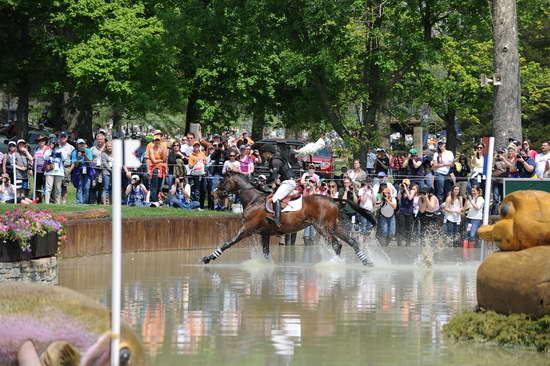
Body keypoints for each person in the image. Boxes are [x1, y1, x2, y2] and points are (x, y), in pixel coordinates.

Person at [261, 144, 296, 228]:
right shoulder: (273, 160)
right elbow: (272, 176)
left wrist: (265, 181)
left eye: (263, 153)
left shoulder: (275, 161)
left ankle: (277, 219)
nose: (262, 155)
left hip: (288, 182)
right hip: (285, 182)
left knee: (275, 198)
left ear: (268, 153)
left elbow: (273, 177)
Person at [69, 139, 94, 204]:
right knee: (79, 186)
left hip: (87, 169)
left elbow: (91, 161)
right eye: (80, 144)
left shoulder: (88, 150)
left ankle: (85, 202)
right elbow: (75, 164)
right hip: (78, 169)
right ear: (77, 145)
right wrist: (78, 158)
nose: (82, 145)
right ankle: (79, 202)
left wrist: (85, 155)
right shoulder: (75, 152)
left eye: (83, 144)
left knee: (87, 187)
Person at [43, 140, 68, 204]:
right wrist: (51, 149)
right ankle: (47, 202)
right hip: (50, 171)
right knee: (48, 188)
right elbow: (45, 157)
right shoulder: (48, 150)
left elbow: (65, 158)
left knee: (58, 188)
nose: (55, 145)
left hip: (59, 172)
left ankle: (57, 203)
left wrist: (60, 148)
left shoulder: (61, 149)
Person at [145, 134, 168, 203]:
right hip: (154, 169)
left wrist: (164, 151)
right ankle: (153, 200)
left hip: (162, 169)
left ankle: (157, 199)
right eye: (156, 140)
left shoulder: (163, 148)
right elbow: (153, 160)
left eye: (158, 140)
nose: (157, 142)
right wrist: (161, 161)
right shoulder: (151, 149)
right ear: (154, 141)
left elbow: (165, 159)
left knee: (159, 185)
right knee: (154, 185)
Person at [396, 179, 416, 246]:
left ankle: (408, 243)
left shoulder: (412, 191)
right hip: (402, 211)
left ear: (409, 185)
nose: (405, 185)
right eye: (404, 184)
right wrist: (400, 190)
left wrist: (406, 188)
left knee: (408, 228)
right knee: (401, 227)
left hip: (409, 212)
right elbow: (398, 199)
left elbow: (410, 198)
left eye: (406, 184)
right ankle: (399, 243)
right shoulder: (401, 191)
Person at [188, 142, 208, 209]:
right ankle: (197, 206)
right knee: (197, 190)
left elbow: (205, 161)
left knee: (204, 190)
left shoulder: (202, 153)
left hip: (202, 174)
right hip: (196, 175)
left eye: (197, 146)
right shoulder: (191, 156)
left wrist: (204, 161)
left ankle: (201, 206)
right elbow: (190, 166)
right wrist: (195, 162)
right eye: (195, 146)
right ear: (193, 147)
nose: (196, 147)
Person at [57, 131, 75, 204]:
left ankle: (64, 202)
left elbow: (73, 161)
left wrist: (69, 170)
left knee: (64, 185)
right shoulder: (56, 146)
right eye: (61, 136)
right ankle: (57, 201)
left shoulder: (71, 147)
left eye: (64, 137)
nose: (62, 138)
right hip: (56, 168)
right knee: (57, 185)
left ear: (67, 138)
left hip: (66, 167)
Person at [32, 135, 50, 202]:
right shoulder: (36, 149)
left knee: (46, 185)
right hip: (36, 170)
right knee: (37, 186)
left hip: (45, 170)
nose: (41, 142)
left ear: (45, 141)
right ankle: (38, 200)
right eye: (39, 141)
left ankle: (47, 200)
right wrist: (31, 168)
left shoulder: (48, 149)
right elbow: (33, 159)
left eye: (42, 140)